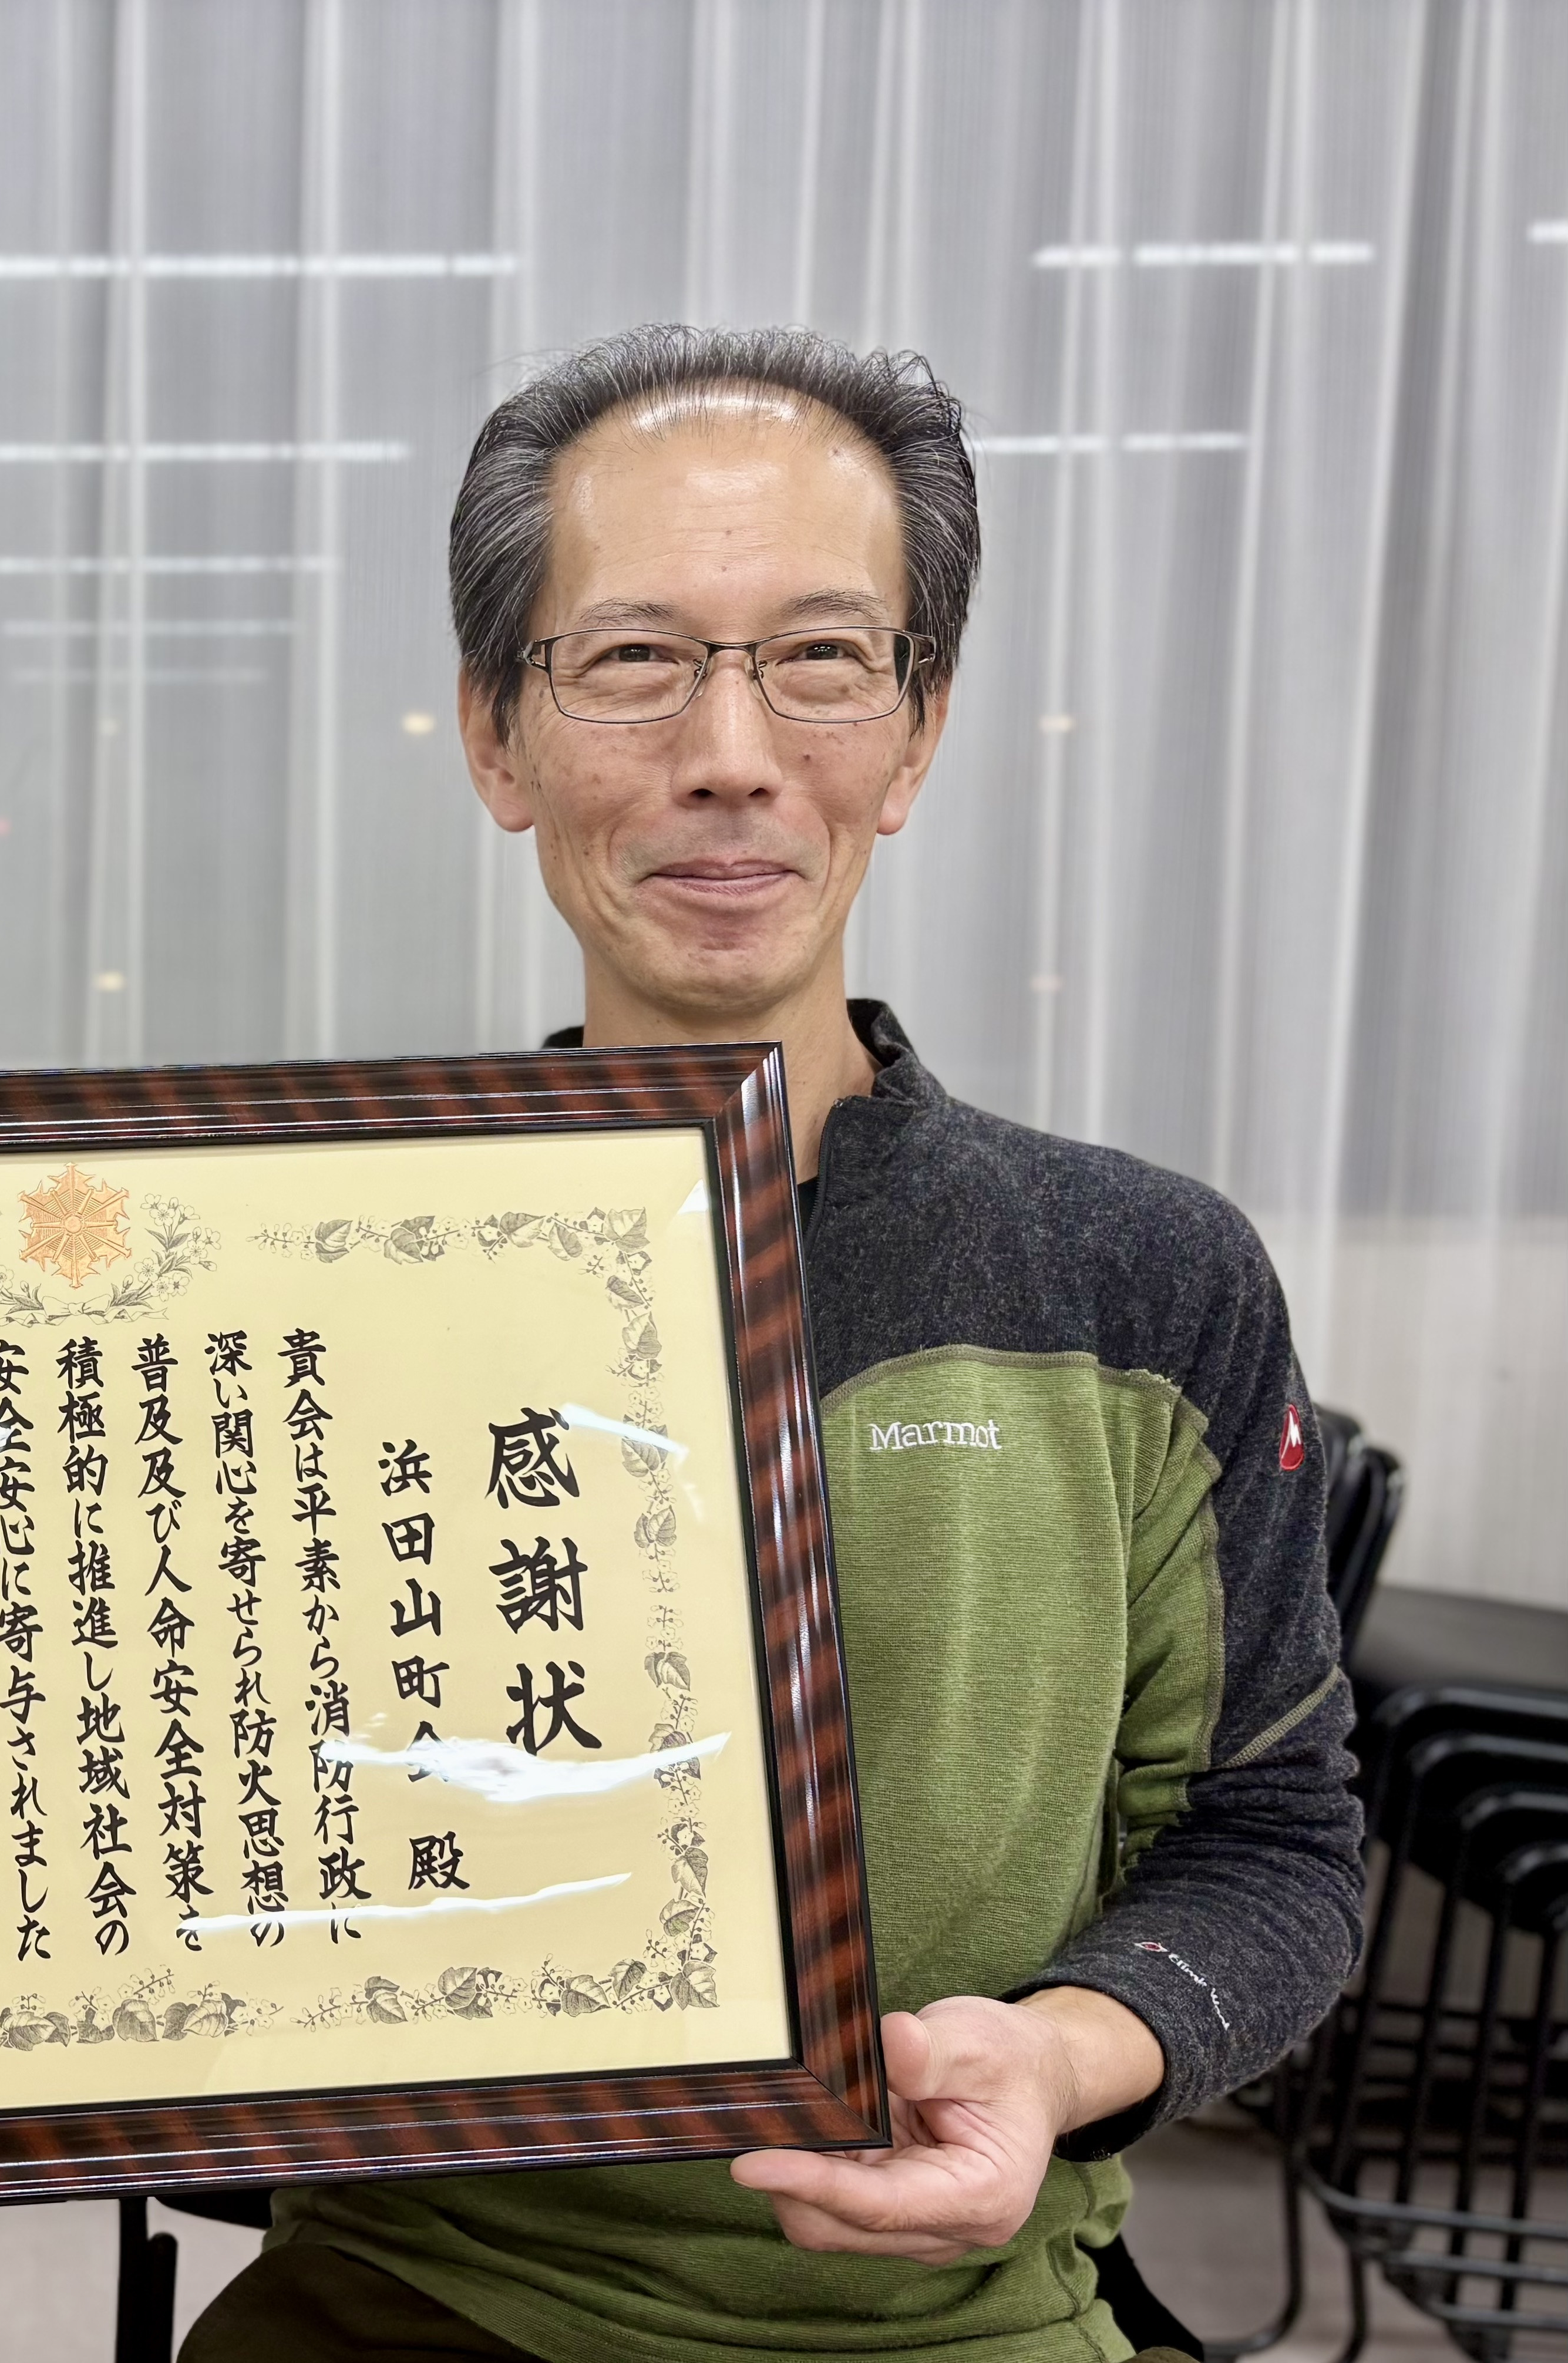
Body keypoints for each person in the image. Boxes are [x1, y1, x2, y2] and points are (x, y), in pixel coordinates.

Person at [181, 325, 1364, 2362]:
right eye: (633, 660)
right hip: (407, 2302)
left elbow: (1278, 1840)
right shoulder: (301, 1277)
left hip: (959, 2324)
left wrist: (1061, 2059)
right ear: (497, 736)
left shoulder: (1137, 1278)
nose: (731, 749)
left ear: (913, 739)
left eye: (820, 658)